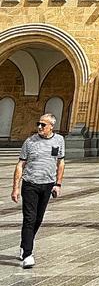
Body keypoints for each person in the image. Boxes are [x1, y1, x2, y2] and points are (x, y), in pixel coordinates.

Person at [11, 112, 65, 268]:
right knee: (29, 218)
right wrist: (15, 188)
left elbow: (60, 162)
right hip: (30, 184)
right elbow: (20, 164)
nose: (40, 127)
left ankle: (24, 244)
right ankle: (28, 254)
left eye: (43, 125)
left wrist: (58, 184)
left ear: (51, 126)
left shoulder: (59, 140)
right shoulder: (30, 142)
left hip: (47, 184)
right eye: (38, 124)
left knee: (38, 219)